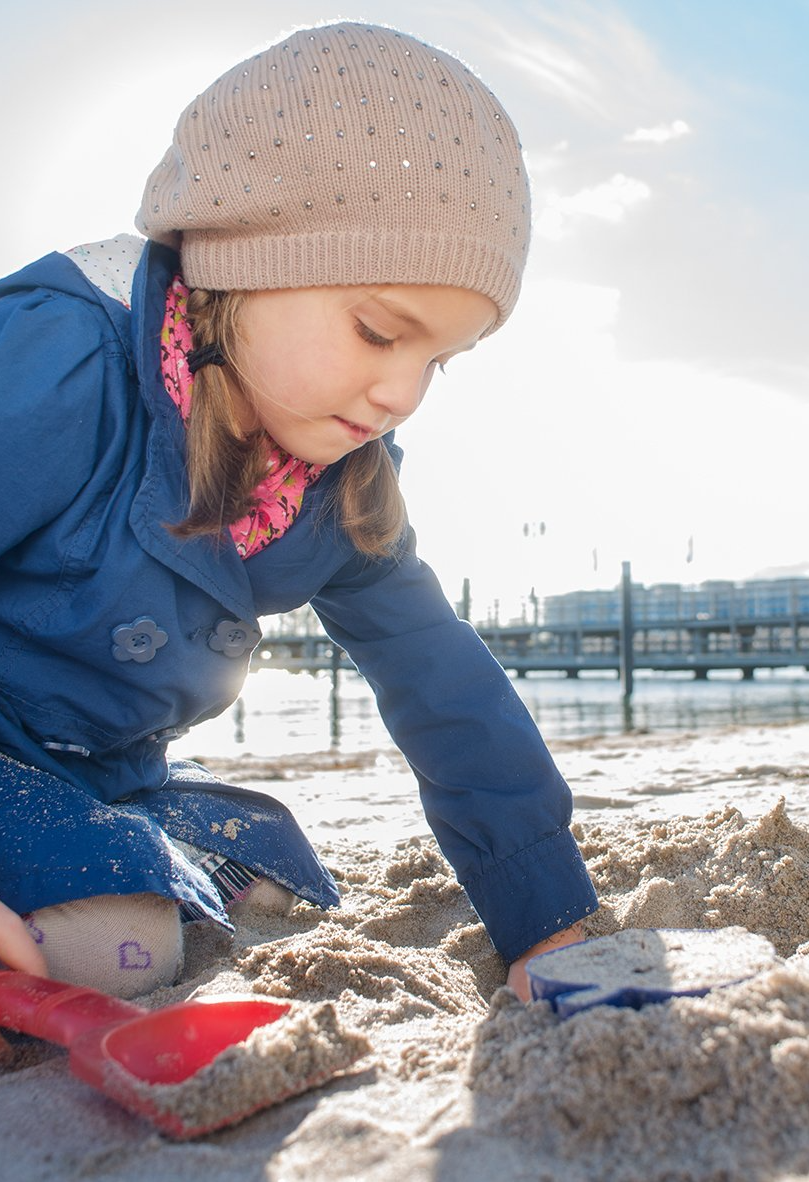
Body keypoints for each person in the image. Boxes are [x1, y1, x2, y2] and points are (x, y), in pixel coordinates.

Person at [0, 21, 597, 1003]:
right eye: (377, 331)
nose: (401, 392)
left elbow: (443, 688)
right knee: (117, 949)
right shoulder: (60, 361)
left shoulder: (345, 481)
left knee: (283, 881)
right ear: (241, 259)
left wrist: (547, 916)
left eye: (436, 361)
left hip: (113, 773)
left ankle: (120, 841)